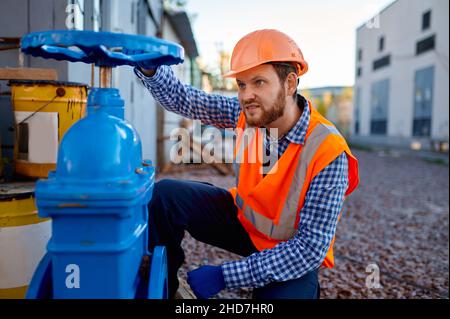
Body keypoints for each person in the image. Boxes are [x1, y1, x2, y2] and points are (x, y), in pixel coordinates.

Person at [133, 29, 359, 299]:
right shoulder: (248, 113)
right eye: (241, 84)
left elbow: (309, 248)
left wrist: (225, 275)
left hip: (291, 248)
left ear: (289, 83)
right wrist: (150, 71)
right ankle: (165, 288)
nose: (246, 95)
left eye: (259, 82)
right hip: (243, 223)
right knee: (166, 195)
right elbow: (188, 100)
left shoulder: (329, 150)